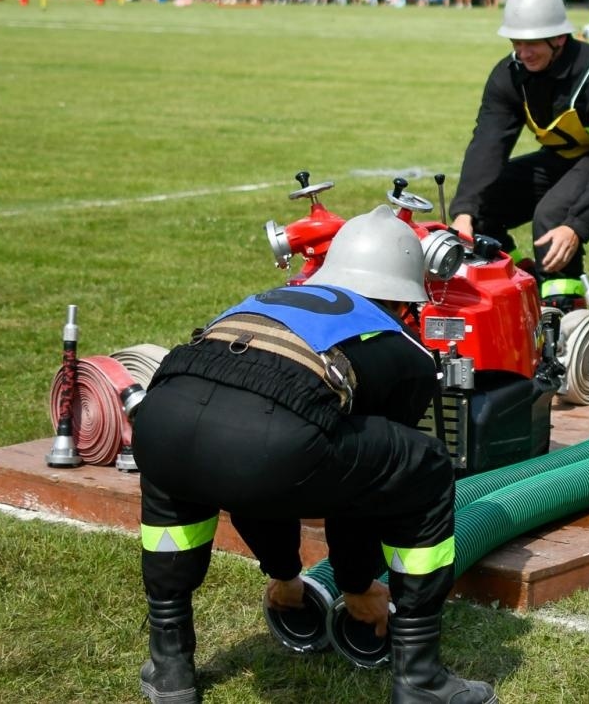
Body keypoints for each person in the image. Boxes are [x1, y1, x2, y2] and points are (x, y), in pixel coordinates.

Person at [133, 207, 495, 704]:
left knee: (194, 474)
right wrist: (357, 584)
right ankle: (421, 679)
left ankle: (169, 667)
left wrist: (285, 574)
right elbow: (369, 494)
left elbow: (244, 448)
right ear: (402, 293)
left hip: (159, 420)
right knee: (424, 468)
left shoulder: (264, 300)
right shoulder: (399, 347)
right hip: (266, 444)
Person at [450, 0, 589, 308]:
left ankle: (565, 315)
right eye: (516, 43)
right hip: (560, 159)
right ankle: (518, 285)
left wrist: (577, 225)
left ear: (558, 37)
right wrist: (464, 211)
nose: (523, 53)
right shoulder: (509, 75)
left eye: (532, 44)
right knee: (481, 206)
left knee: (552, 216)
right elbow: (488, 143)